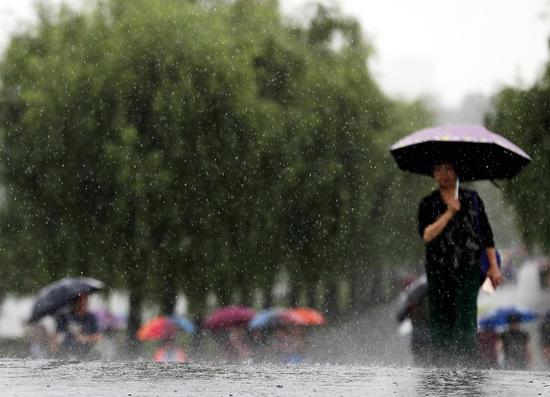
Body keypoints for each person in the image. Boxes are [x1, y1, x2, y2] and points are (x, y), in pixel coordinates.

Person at [418, 161, 503, 366]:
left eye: (448, 169)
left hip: (468, 269)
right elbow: (427, 235)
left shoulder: (472, 199)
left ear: (457, 172)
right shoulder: (427, 203)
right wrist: (449, 213)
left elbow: (487, 236)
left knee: (465, 317)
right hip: (439, 271)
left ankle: (467, 364)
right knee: (440, 319)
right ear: (433, 174)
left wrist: (494, 267)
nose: (444, 174)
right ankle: (442, 364)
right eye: (439, 169)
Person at [55, 293, 102, 359]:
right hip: (67, 352)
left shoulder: (91, 318)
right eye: (80, 301)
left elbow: (98, 337)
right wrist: (56, 344)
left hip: (87, 353)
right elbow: (58, 335)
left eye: (85, 300)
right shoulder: (65, 317)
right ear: (74, 301)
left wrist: (84, 338)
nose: (82, 303)